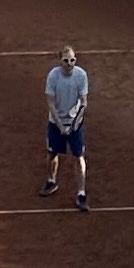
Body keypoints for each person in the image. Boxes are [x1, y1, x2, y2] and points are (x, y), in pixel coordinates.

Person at [41, 46, 90, 209]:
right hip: (56, 123)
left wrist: (75, 123)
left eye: (72, 60)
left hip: (75, 124)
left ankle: (81, 193)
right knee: (52, 153)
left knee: (79, 157)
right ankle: (51, 181)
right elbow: (50, 103)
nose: (69, 64)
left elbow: (83, 102)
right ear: (60, 60)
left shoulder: (81, 75)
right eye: (66, 60)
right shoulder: (53, 76)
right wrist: (61, 125)